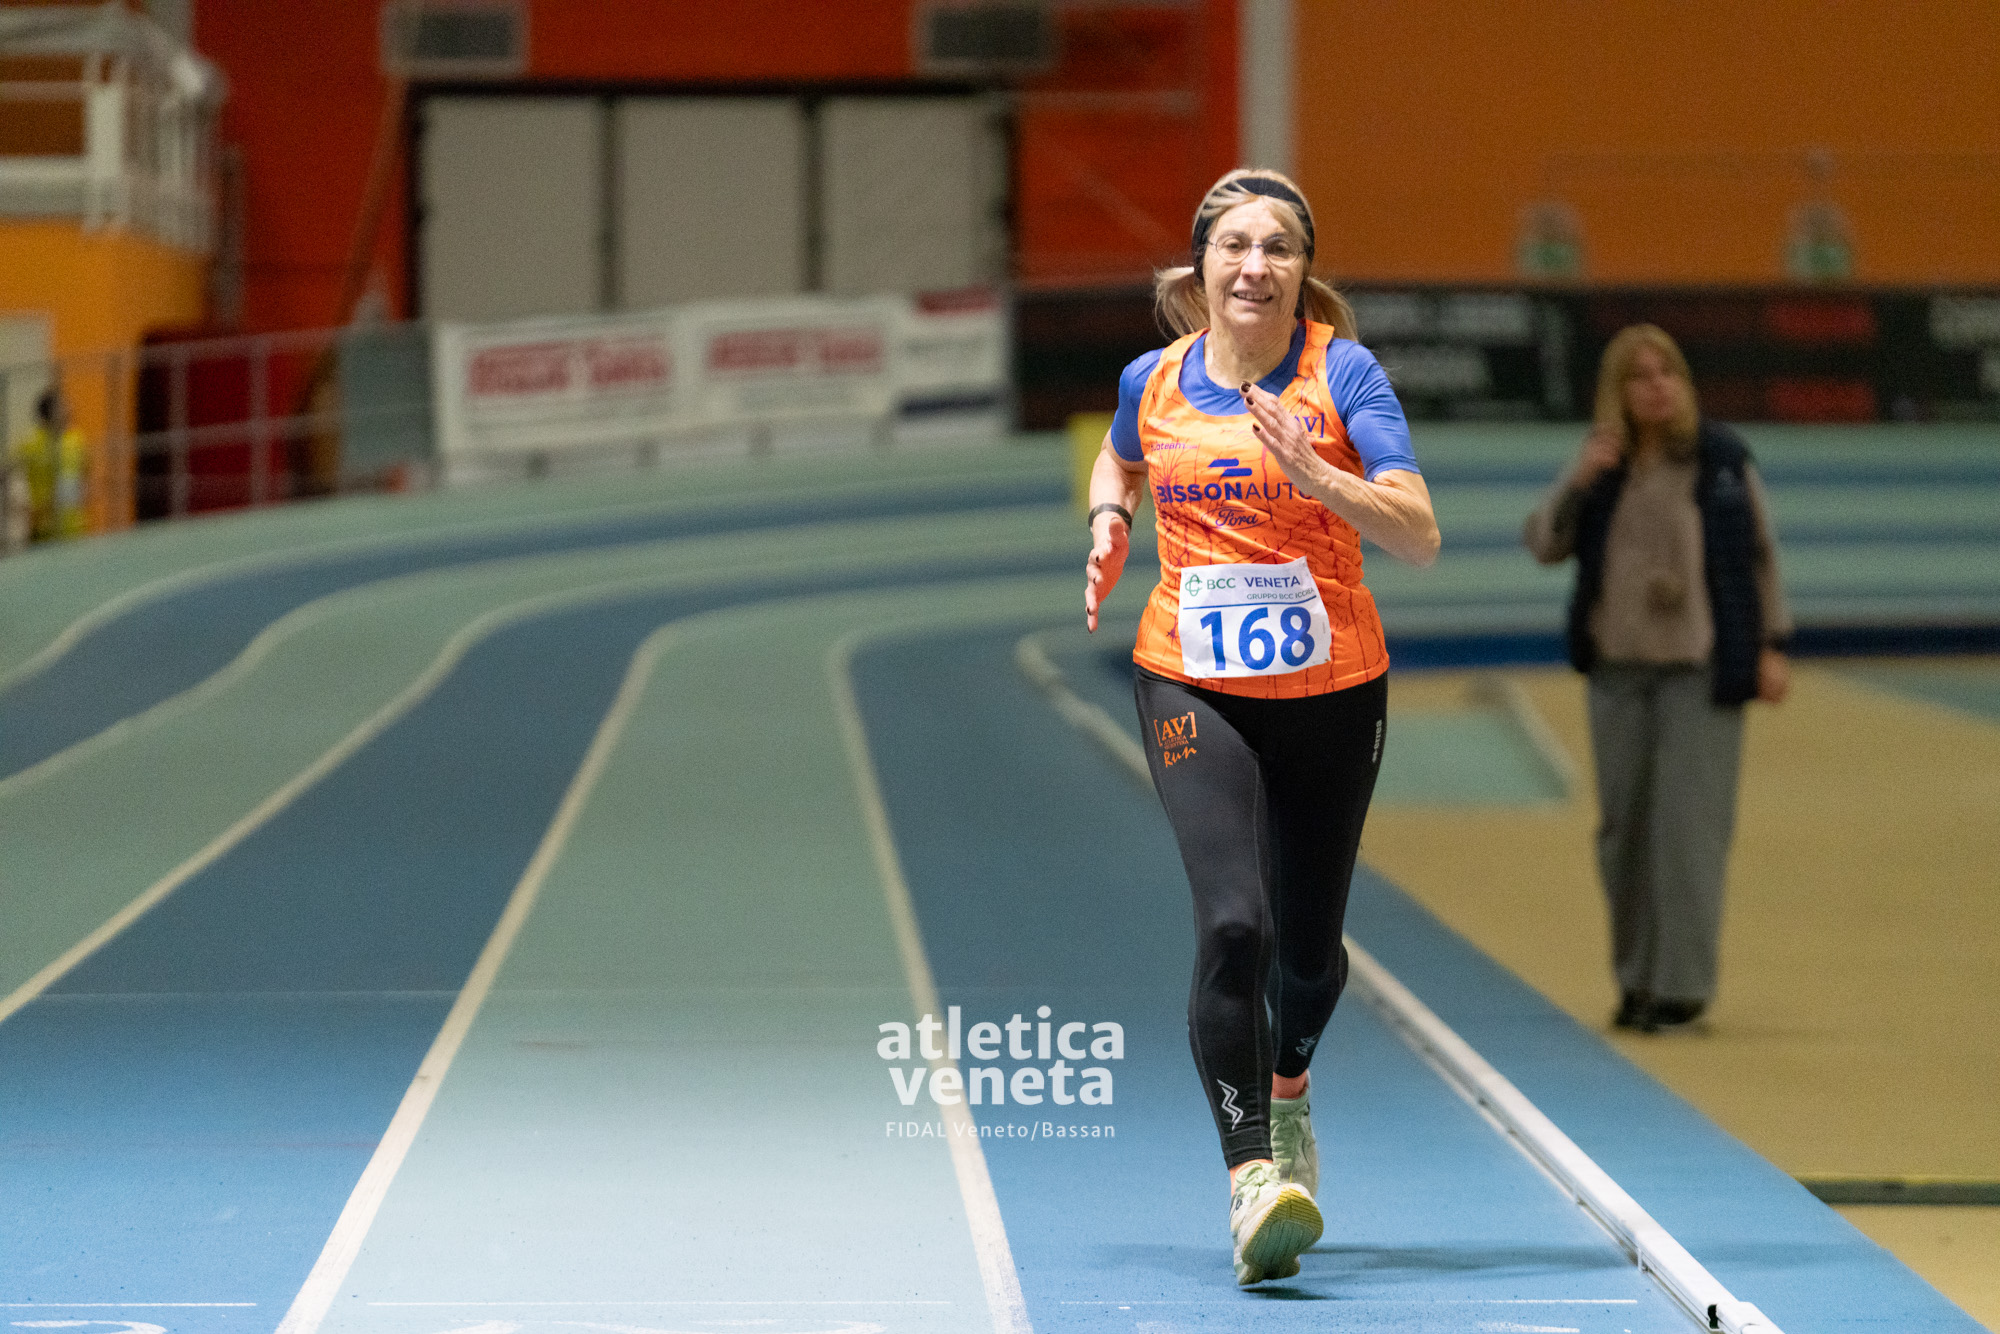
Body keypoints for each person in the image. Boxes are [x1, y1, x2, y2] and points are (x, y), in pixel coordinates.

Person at [1082, 168, 1439, 1286]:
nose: (1254, 265)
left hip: (1333, 689)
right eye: (1233, 245)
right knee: (1235, 924)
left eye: (1278, 247)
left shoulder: (1343, 374)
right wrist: (1108, 515)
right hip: (1190, 679)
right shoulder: (1154, 378)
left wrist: (1314, 471)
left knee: (1310, 956)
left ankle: (1289, 1089)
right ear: (1200, 268)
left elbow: (1418, 532)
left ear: (1301, 270)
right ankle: (1250, 1178)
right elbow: (1121, 451)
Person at [1523, 324, 1791, 1035]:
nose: (1657, 387)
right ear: (1618, 390)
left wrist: (1771, 645)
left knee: (1688, 832)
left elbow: (1759, 555)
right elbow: (1545, 542)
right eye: (1640, 376)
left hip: (1699, 672)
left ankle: (1682, 989)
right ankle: (1637, 980)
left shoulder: (1720, 459)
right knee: (1625, 835)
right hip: (1618, 674)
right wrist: (1579, 479)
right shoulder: (1602, 466)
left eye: (1667, 372)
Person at [14, 387, 89, 541]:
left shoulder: (76, 440)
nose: (69, 410)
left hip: (74, 527)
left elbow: (85, 475)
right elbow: (9, 474)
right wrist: (21, 505)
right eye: (63, 406)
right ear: (49, 413)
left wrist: (85, 493)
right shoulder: (31, 443)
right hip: (42, 529)